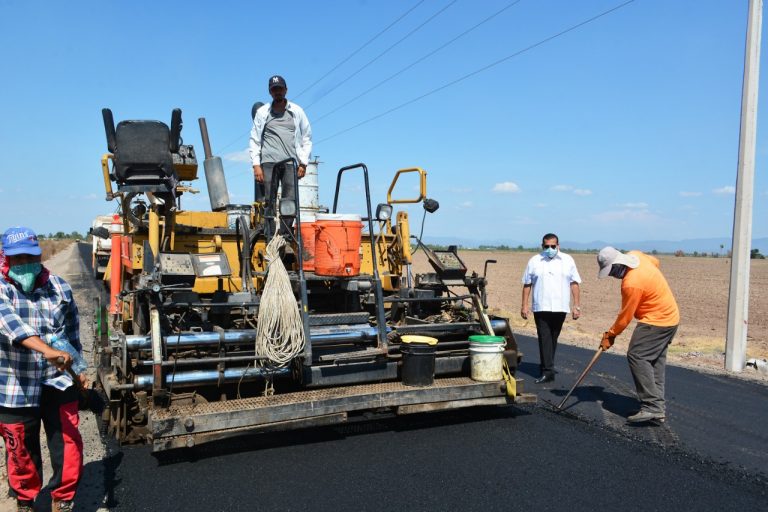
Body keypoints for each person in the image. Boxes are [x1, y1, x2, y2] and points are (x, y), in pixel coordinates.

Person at [0, 227, 85, 512]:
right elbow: (12, 326)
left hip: (59, 381)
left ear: (39, 256)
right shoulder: (1, 289)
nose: (25, 263)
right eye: (17, 258)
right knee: (20, 449)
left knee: (68, 444)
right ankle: (26, 500)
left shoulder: (59, 288)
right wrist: (49, 351)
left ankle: (63, 498)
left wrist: (81, 368)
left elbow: (72, 335)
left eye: (30, 256)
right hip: (14, 385)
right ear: (5, 259)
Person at [597, 246, 679, 423]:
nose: (612, 275)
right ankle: (657, 407)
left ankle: (652, 406)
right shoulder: (636, 255)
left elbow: (625, 316)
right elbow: (656, 262)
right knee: (654, 361)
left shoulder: (631, 283)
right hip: (671, 317)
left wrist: (610, 335)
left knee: (637, 356)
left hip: (656, 321)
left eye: (611, 271)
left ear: (618, 264)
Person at [249, 75, 312, 237]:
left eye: (280, 89)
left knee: (289, 200)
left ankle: (285, 234)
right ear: (270, 92)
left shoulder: (297, 111)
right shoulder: (263, 113)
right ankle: (269, 235)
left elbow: (306, 137)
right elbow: (255, 139)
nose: (277, 92)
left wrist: (303, 163)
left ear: (286, 90)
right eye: (274, 89)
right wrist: (256, 165)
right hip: (268, 163)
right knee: (269, 200)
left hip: (290, 162)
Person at [521, 233, 582, 384]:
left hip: (560, 306)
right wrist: (524, 305)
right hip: (541, 306)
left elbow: (574, 283)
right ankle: (547, 371)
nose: (550, 249)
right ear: (542, 246)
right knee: (544, 337)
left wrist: (576, 305)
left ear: (558, 246)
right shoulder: (535, 261)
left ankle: (547, 366)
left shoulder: (567, 260)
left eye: (553, 246)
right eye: (546, 246)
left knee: (553, 338)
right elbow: (527, 284)